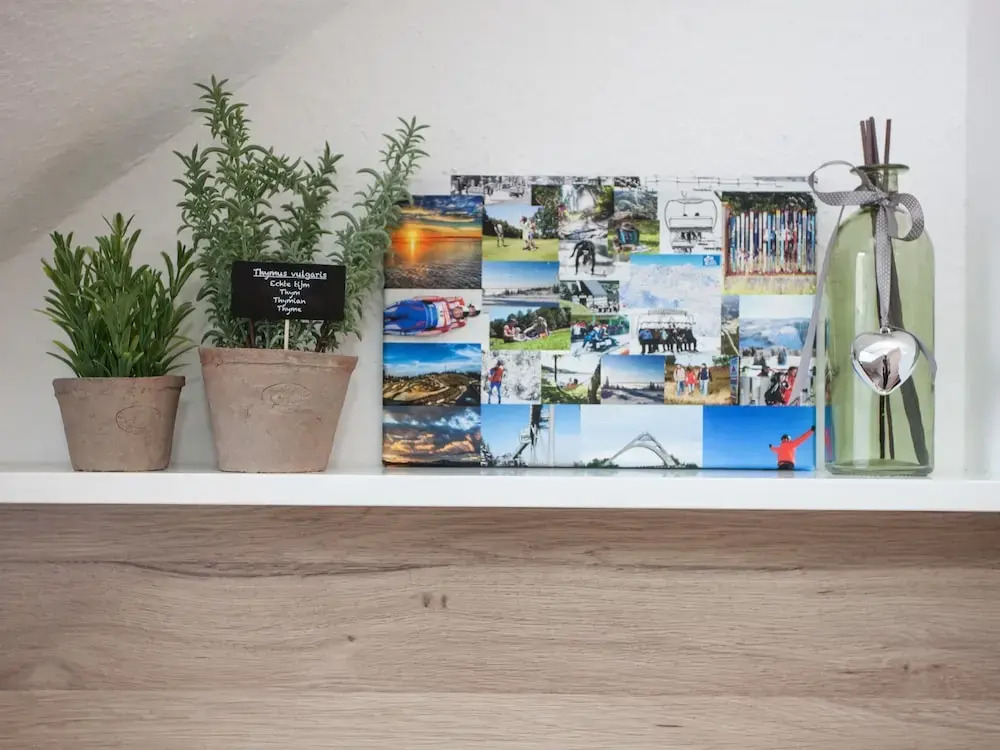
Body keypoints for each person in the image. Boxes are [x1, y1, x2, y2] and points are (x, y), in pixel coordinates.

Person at [384, 296, 480, 336]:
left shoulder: (448, 325)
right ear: (458, 306)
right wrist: (418, 298)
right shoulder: (445, 302)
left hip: (416, 324)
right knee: (386, 313)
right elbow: (435, 298)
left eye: (461, 314)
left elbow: (434, 332)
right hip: (416, 309)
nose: (458, 313)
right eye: (459, 310)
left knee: (386, 327)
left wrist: (419, 333)